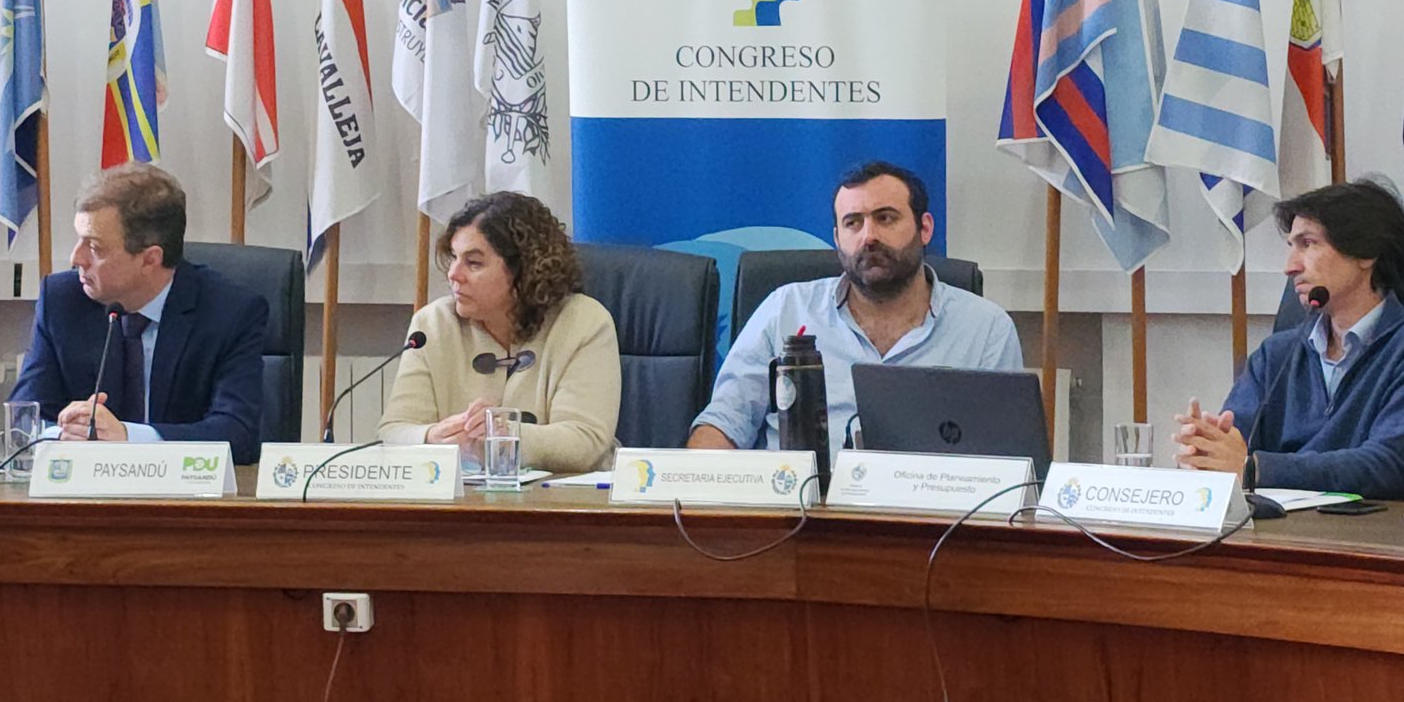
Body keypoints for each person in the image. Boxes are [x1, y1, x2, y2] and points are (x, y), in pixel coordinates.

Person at [689, 161, 1023, 450]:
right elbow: (723, 424)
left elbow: (1007, 454)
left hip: (932, 504)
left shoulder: (985, 329)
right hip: (800, 502)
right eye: (853, 223)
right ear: (837, 238)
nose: (868, 237)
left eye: (885, 218)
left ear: (925, 228)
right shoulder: (785, 309)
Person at [1172, 180, 1404, 500]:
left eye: (1308, 244)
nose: (1290, 267)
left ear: (1366, 253)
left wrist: (1257, 469)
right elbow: (1235, 446)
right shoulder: (1277, 354)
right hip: (1278, 525)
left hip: (1378, 528)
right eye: (1291, 246)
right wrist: (1205, 450)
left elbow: (1391, 465)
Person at [11, 164, 268, 464]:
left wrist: (128, 437)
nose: (76, 258)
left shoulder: (230, 311)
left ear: (149, 259)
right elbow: (24, 420)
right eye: (79, 240)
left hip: (180, 490)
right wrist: (67, 434)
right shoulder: (62, 300)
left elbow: (238, 433)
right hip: (84, 489)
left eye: (94, 247)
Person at [378, 192, 620, 473]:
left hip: (565, 497)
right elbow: (393, 431)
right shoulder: (432, 325)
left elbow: (585, 442)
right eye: (454, 257)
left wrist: (505, 434)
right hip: (466, 497)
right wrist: (431, 437)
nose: (454, 274)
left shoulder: (584, 322)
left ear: (524, 270)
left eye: (473, 263)